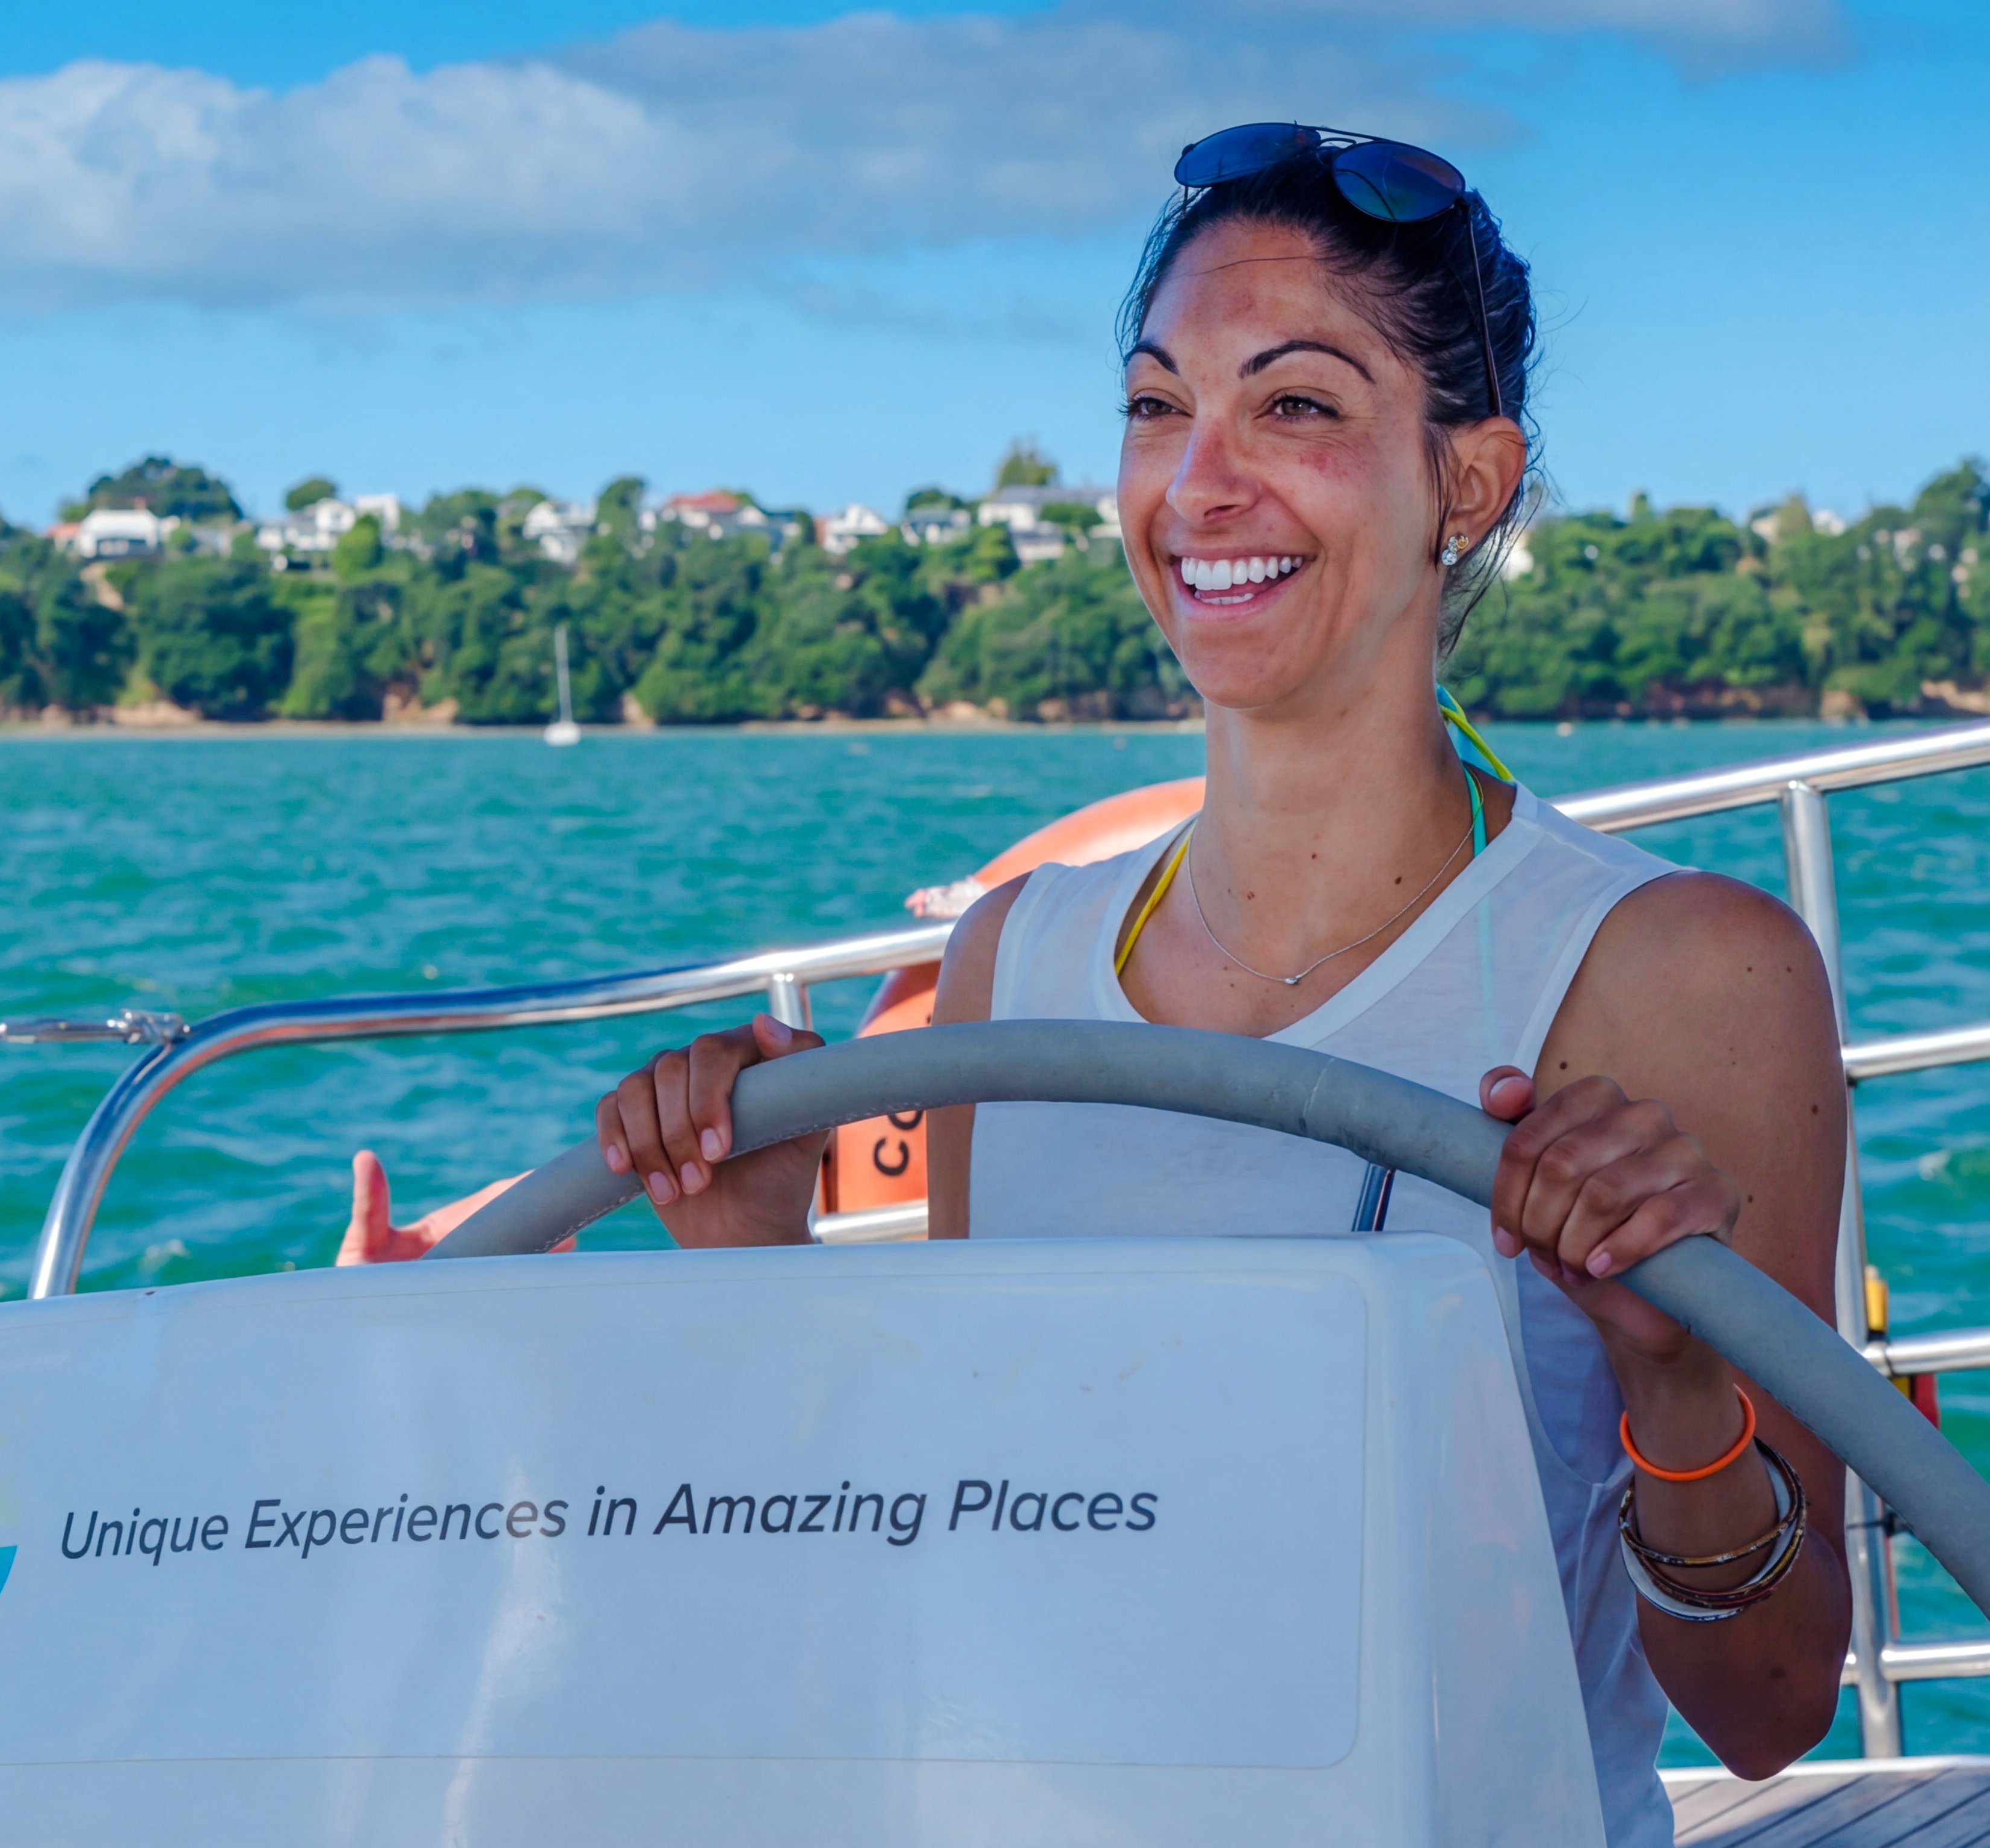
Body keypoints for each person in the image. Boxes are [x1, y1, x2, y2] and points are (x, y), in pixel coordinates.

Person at [549, 128, 1852, 1841]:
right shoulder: (1010, 957)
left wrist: (1675, 1387)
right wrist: (751, 1268)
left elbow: (1764, 1718)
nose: (1200, 484)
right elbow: (943, 1560)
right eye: (1157, 409)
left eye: (1293, 407)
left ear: (1465, 483)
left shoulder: (1681, 973)